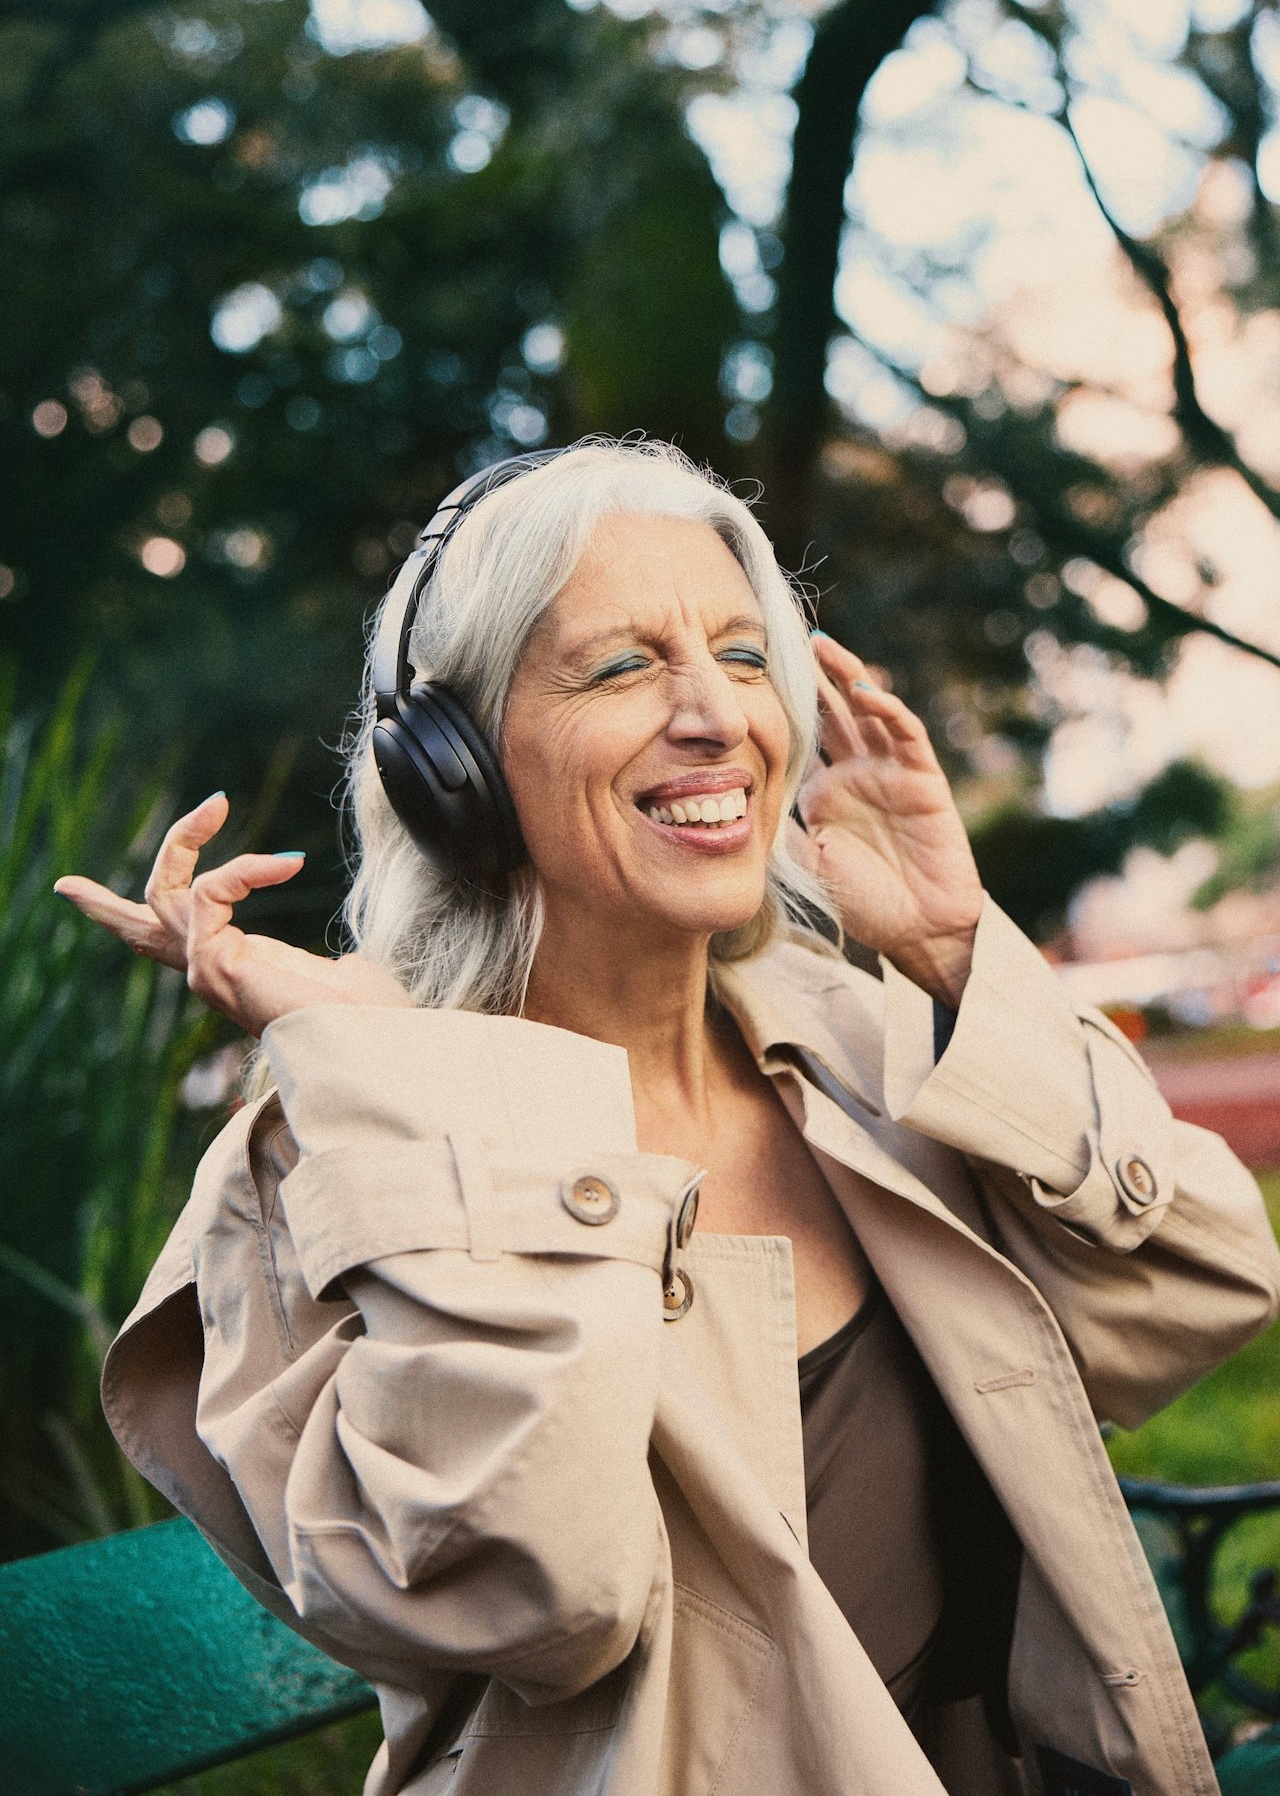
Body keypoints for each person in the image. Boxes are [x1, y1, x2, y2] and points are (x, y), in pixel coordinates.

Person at [60, 438, 1280, 1796]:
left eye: (746, 656)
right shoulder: (336, 1163)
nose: (718, 716)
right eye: (622, 665)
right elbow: (535, 1592)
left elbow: (1207, 1286)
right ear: (449, 765)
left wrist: (953, 952)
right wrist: (400, 1079)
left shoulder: (855, 1041)